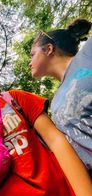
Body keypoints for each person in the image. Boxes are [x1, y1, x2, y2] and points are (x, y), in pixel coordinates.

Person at [30, 19, 92, 176]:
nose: (29, 63)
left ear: (48, 49)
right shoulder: (56, 102)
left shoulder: (88, 54)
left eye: (32, 54)